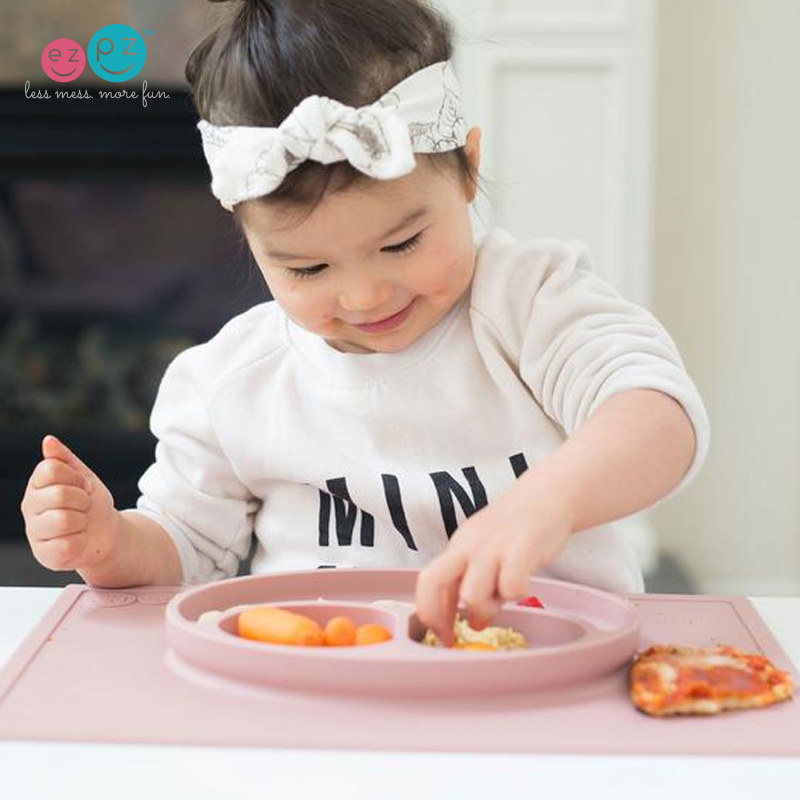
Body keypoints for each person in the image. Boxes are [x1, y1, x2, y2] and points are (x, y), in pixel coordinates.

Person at [20, 0, 708, 645]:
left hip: (548, 666)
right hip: (325, 683)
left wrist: (547, 502)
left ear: (468, 170)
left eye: (401, 244)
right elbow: (184, 548)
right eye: (309, 268)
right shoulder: (233, 380)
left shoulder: (529, 302)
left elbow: (657, 414)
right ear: (247, 237)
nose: (363, 296)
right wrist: (107, 542)